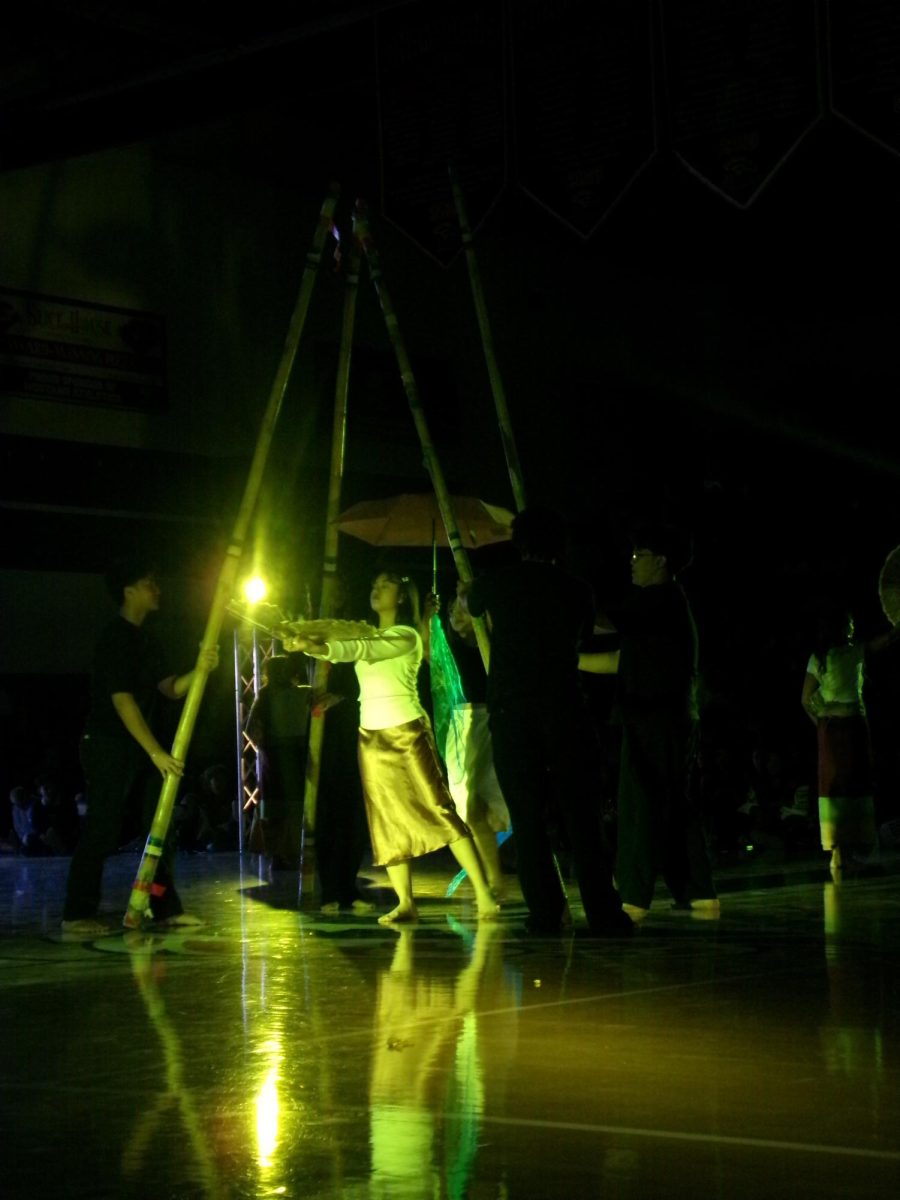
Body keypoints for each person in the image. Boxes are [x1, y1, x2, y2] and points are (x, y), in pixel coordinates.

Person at [283, 570, 499, 926]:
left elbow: (360, 648)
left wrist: (316, 646)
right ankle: (405, 902)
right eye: (373, 583)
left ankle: (484, 893)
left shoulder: (406, 635)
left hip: (406, 732)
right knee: (386, 821)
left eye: (385, 585)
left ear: (401, 597)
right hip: (371, 736)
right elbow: (353, 646)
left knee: (439, 810)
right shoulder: (370, 634)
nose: (376, 588)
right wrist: (308, 642)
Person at [461, 507, 632, 937]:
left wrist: (468, 593)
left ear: (519, 543)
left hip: (513, 713)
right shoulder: (577, 590)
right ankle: (603, 912)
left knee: (529, 817)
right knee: (582, 818)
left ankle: (545, 913)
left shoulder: (498, 583)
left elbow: (472, 603)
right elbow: (582, 635)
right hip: (565, 708)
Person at [61, 556, 219, 936]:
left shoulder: (149, 640)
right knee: (102, 827)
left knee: (158, 828)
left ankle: (164, 906)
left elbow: (167, 689)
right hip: (109, 744)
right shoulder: (115, 637)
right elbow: (122, 701)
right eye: (149, 582)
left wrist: (201, 670)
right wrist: (156, 752)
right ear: (129, 591)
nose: (157, 588)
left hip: (141, 747)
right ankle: (76, 914)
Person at [580, 524, 718, 922]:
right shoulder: (664, 608)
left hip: (655, 718)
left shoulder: (658, 599)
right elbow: (627, 661)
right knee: (674, 803)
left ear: (660, 561)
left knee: (641, 804)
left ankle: (634, 898)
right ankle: (699, 892)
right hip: (666, 717)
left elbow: (603, 622)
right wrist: (570, 661)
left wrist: (561, 612)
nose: (632, 563)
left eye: (639, 556)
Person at [422, 591, 510, 900]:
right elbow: (429, 655)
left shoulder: (492, 641)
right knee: (471, 809)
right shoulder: (449, 646)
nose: (454, 615)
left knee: (505, 804)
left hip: (493, 722)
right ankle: (493, 877)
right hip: (463, 726)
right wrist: (427, 617)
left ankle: (506, 876)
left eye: (460, 607)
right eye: (450, 610)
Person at [801, 607, 876, 873]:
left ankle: (853, 848)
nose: (853, 629)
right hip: (833, 729)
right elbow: (806, 698)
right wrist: (823, 724)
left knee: (856, 783)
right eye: (849, 624)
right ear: (838, 627)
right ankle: (837, 850)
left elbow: (885, 642)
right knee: (835, 786)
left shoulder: (856, 651)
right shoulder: (820, 657)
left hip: (855, 724)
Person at [245, 655, 310, 872]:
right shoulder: (305, 693)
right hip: (294, 755)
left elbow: (250, 728)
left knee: (276, 804)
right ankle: (292, 852)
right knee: (292, 803)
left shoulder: (266, 695)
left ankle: (279, 854)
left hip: (274, 756)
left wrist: (264, 744)